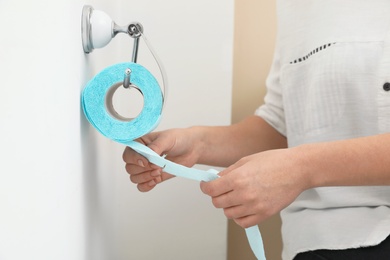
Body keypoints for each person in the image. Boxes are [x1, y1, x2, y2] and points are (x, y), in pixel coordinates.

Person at [122, 1, 390, 259]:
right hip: (316, 245)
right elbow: (284, 124)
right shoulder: (295, 6)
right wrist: (198, 144)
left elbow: (297, 158)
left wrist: (302, 168)